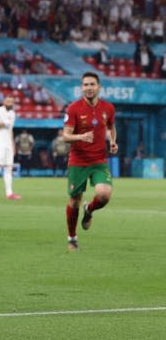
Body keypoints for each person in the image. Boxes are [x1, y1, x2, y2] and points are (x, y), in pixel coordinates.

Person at [62, 72, 117, 252]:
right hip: (78, 161)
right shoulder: (73, 108)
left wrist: (113, 141)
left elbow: (111, 126)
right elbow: (66, 136)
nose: (89, 88)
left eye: (92, 84)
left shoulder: (108, 108)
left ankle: (90, 209)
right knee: (74, 201)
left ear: (99, 87)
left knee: (104, 195)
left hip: (99, 160)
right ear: (82, 87)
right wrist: (81, 136)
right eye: (85, 85)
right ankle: (72, 237)